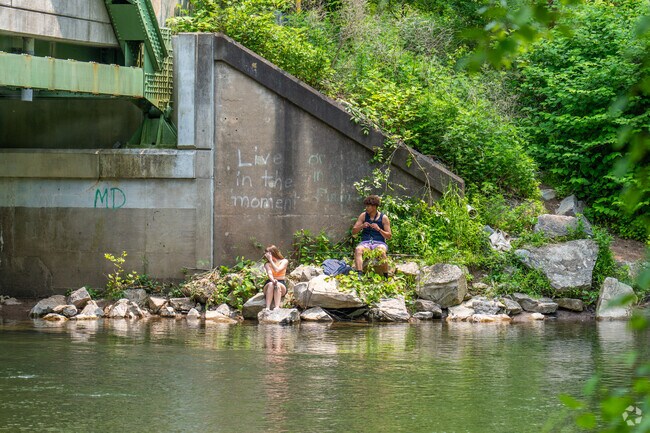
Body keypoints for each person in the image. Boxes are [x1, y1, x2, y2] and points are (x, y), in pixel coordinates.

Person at [351, 195, 392, 278]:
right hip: (365, 242)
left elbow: (389, 236)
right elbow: (354, 231)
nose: (366, 208)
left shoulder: (384, 218)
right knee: (358, 249)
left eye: (368, 206)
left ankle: (385, 275)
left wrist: (379, 229)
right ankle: (359, 274)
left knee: (381, 252)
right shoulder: (363, 215)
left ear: (374, 207)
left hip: (379, 243)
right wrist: (362, 226)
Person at [263, 245, 289, 310]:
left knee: (277, 285)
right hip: (270, 282)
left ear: (272, 253)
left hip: (281, 282)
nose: (266, 255)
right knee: (271, 284)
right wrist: (273, 280)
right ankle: (267, 307)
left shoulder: (284, 261)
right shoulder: (267, 264)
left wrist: (271, 260)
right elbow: (269, 274)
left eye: (267, 253)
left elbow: (277, 270)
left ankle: (277, 307)